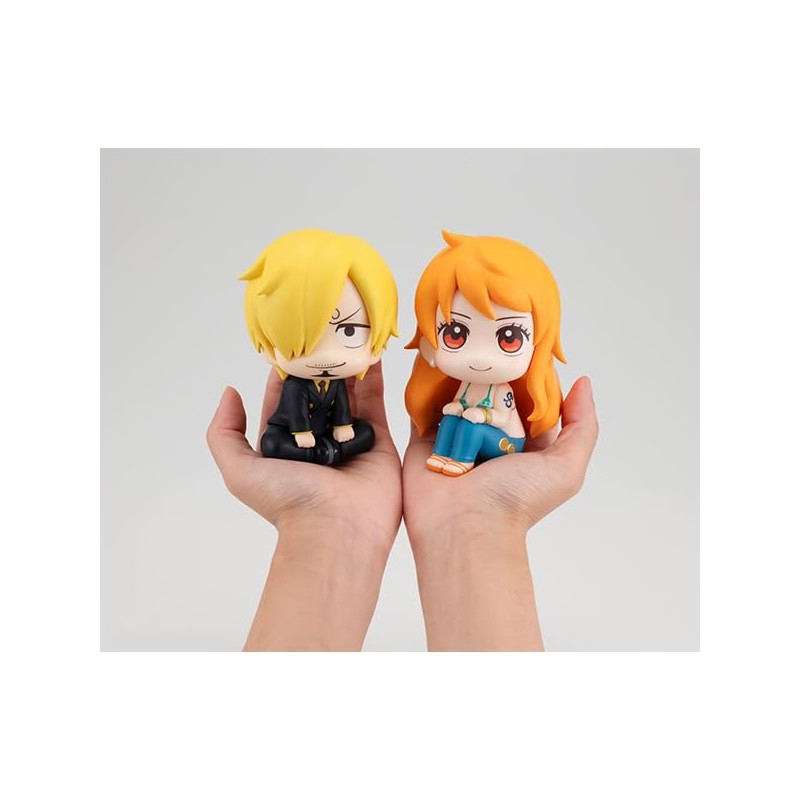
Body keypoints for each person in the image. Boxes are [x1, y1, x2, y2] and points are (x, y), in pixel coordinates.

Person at [207, 361, 599, 651]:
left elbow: (499, 415)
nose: (480, 355)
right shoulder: (297, 383)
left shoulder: (503, 389)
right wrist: (320, 521)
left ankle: (455, 459)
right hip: (305, 437)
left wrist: (489, 516)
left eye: (508, 338)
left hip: (500, 442)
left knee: (467, 426)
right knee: (450, 423)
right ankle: (443, 456)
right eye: (456, 333)